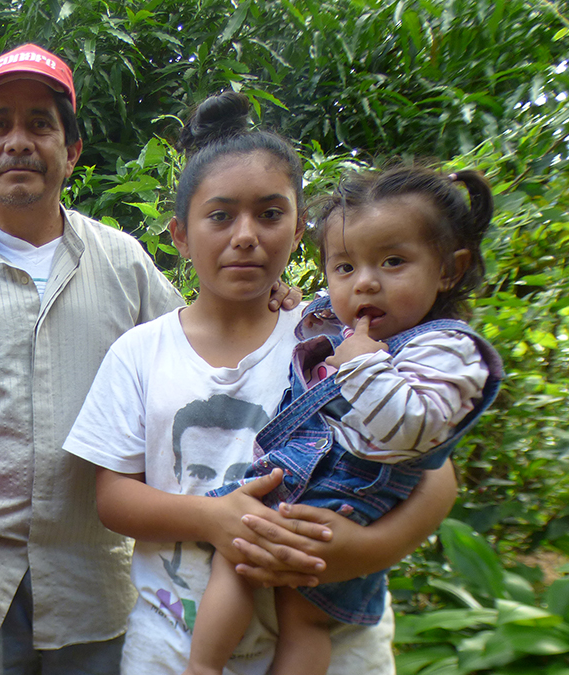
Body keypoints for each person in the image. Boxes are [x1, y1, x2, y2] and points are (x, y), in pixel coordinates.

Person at [0, 45, 300, 674]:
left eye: (40, 125)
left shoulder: (123, 263)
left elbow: (194, 348)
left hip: (97, 578)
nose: (18, 142)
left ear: (71, 151)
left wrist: (264, 300)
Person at [62, 91, 461, 674]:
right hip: (174, 644)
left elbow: (438, 477)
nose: (245, 235)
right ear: (179, 234)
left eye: (270, 214)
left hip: (336, 642)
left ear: (300, 228)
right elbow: (113, 497)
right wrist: (212, 519)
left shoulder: (336, 338)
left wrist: (358, 552)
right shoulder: (140, 352)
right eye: (220, 215)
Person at [186, 166, 503, 675]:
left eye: (393, 262)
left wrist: (363, 363)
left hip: (347, 503)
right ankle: (201, 667)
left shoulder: (449, 350)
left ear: (449, 269)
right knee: (237, 562)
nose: (366, 283)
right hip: (290, 479)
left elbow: (412, 429)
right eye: (345, 268)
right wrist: (287, 298)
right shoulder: (345, 320)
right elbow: (312, 322)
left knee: (305, 619)